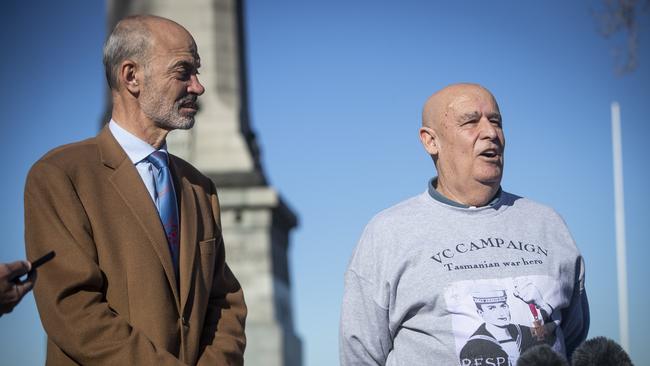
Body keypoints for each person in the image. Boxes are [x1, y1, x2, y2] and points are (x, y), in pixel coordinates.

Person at [25, 15, 246, 365]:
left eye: (198, 71)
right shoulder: (59, 176)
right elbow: (73, 309)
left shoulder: (200, 189)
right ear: (131, 77)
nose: (198, 87)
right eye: (183, 71)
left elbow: (225, 302)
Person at [340, 83, 589, 365]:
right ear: (430, 141)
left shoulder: (548, 224)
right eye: (471, 122)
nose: (490, 132)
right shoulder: (387, 233)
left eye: (496, 121)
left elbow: (572, 338)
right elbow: (361, 356)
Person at [459, 287, 558, 365]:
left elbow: (548, 337)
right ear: (481, 313)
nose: (501, 313)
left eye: (503, 306)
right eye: (491, 308)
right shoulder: (472, 346)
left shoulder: (522, 332)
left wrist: (540, 304)